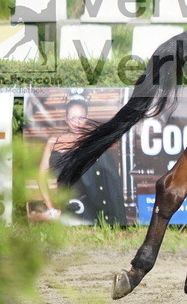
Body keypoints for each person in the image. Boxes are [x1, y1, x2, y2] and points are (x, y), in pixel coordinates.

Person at [37, 95, 126, 225]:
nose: (77, 123)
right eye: (72, 118)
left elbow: (110, 177)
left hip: (93, 211)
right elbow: (41, 177)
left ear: (87, 117)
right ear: (66, 119)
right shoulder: (54, 142)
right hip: (67, 208)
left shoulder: (95, 143)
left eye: (81, 118)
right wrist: (51, 208)